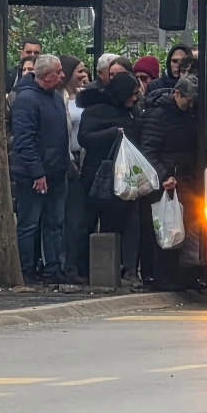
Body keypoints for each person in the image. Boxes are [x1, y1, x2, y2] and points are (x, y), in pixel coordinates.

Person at [10, 53, 72, 284]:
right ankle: (26, 269)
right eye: (58, 71)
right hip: (33, 175)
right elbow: (24, 140)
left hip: (56, 171)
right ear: (46, 76)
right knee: (29, 223)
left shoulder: (55, 96)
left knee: (55, 222)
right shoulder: (26, 100)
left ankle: (53, 267)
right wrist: (37, 172)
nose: (63, 75)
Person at [139, 74, 201, 290]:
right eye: (189, 100)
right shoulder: (159, 115)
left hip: (185, 178)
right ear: (177, 94)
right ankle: (162, 277)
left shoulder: (188, 114)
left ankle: (180, 275)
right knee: (165, 228)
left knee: (180, 228)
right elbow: (149, 149)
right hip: (168, 180)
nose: (191, 105)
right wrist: (164, 175)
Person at [78, 70, 141, 280]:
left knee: (124, 222)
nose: (136, 98)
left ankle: (125, 267)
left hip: (123, 177)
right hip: (97, 175)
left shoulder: (132, 112)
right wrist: (114, 132)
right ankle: (86, 267)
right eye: (132, 93)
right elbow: (85, 138)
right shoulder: (96, 112)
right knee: (89, 221)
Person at [59, 55, 90, 281]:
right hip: (67, 159)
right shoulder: (59, 98)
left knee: (80, 218)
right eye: (78, 71)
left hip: (83, 158)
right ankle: (66, 263)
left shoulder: (85, 98)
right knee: (67, 216)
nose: (83, 75)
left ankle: (78, 262)